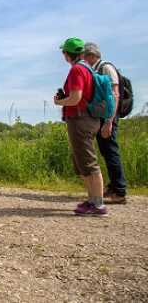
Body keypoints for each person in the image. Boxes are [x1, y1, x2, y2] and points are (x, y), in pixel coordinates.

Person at [54, 37, 108, 216]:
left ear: (67, 54)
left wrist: (60, 101)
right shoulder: (87, 68)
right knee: (83, 161)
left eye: (63, 52)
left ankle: (98, 204)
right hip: (88, 118)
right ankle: (93, 200)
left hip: (80, 119)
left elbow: (76, 98)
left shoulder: (77, 70)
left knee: (88, 161)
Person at [84, 42, 127, 204]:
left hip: (109, 117)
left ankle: (119, 191)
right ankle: (113, 186)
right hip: (103, 117)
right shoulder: (96, 68)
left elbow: (115, 95)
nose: (82, 60)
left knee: (110, 151)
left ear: (90, 55)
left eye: (84, 56)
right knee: (106, 151)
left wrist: (109, 121)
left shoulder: (106, 67)